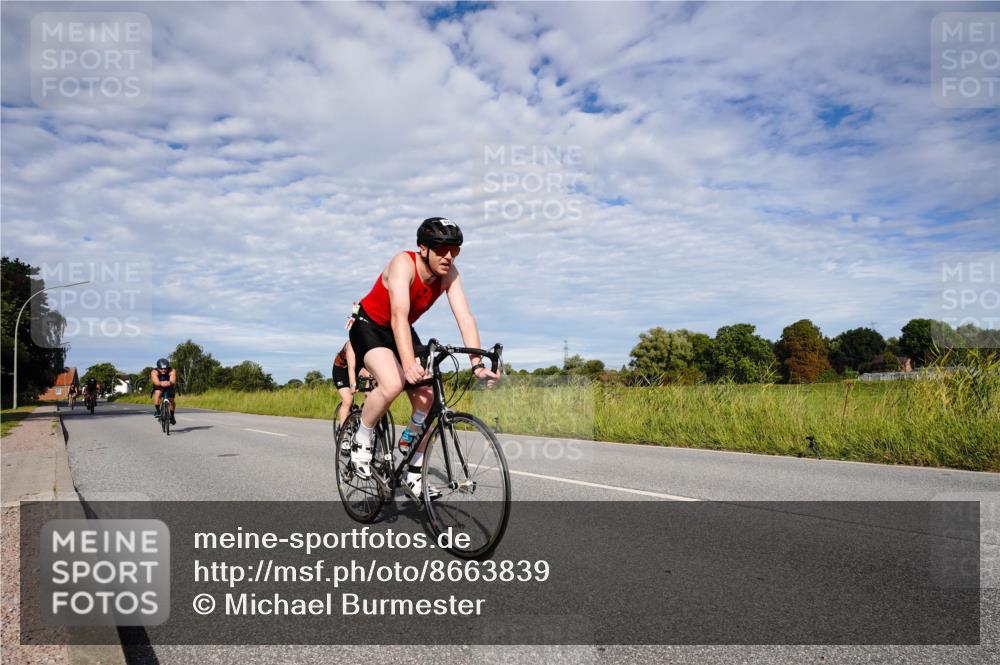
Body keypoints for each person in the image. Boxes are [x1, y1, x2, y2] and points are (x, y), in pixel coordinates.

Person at [348, 217, 499, 498]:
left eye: (455, 250)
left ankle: (413, 471)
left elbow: (465, 317)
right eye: (441, 250)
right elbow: (398, 316)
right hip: (369, 326)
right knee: (393, 383)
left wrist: (477, 366)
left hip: (401, 330)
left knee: (428, 399)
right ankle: (362, 437)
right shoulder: (402, 264)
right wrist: (408, 364)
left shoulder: (449, 274)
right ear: (423, 249)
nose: (449, 256)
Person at [150, 358, 177, 425]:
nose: (164, 370)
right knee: (158, 394)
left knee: (171, 400)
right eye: (161, 369)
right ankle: (158, 411)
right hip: (159, 385)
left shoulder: (172, 370)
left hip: (169, 384)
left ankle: (172, 416)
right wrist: (161, 383)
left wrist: (170, 382)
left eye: (165, 369)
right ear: (158, 367)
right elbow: (156, 381)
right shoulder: (154, 372)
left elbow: (173, 380)